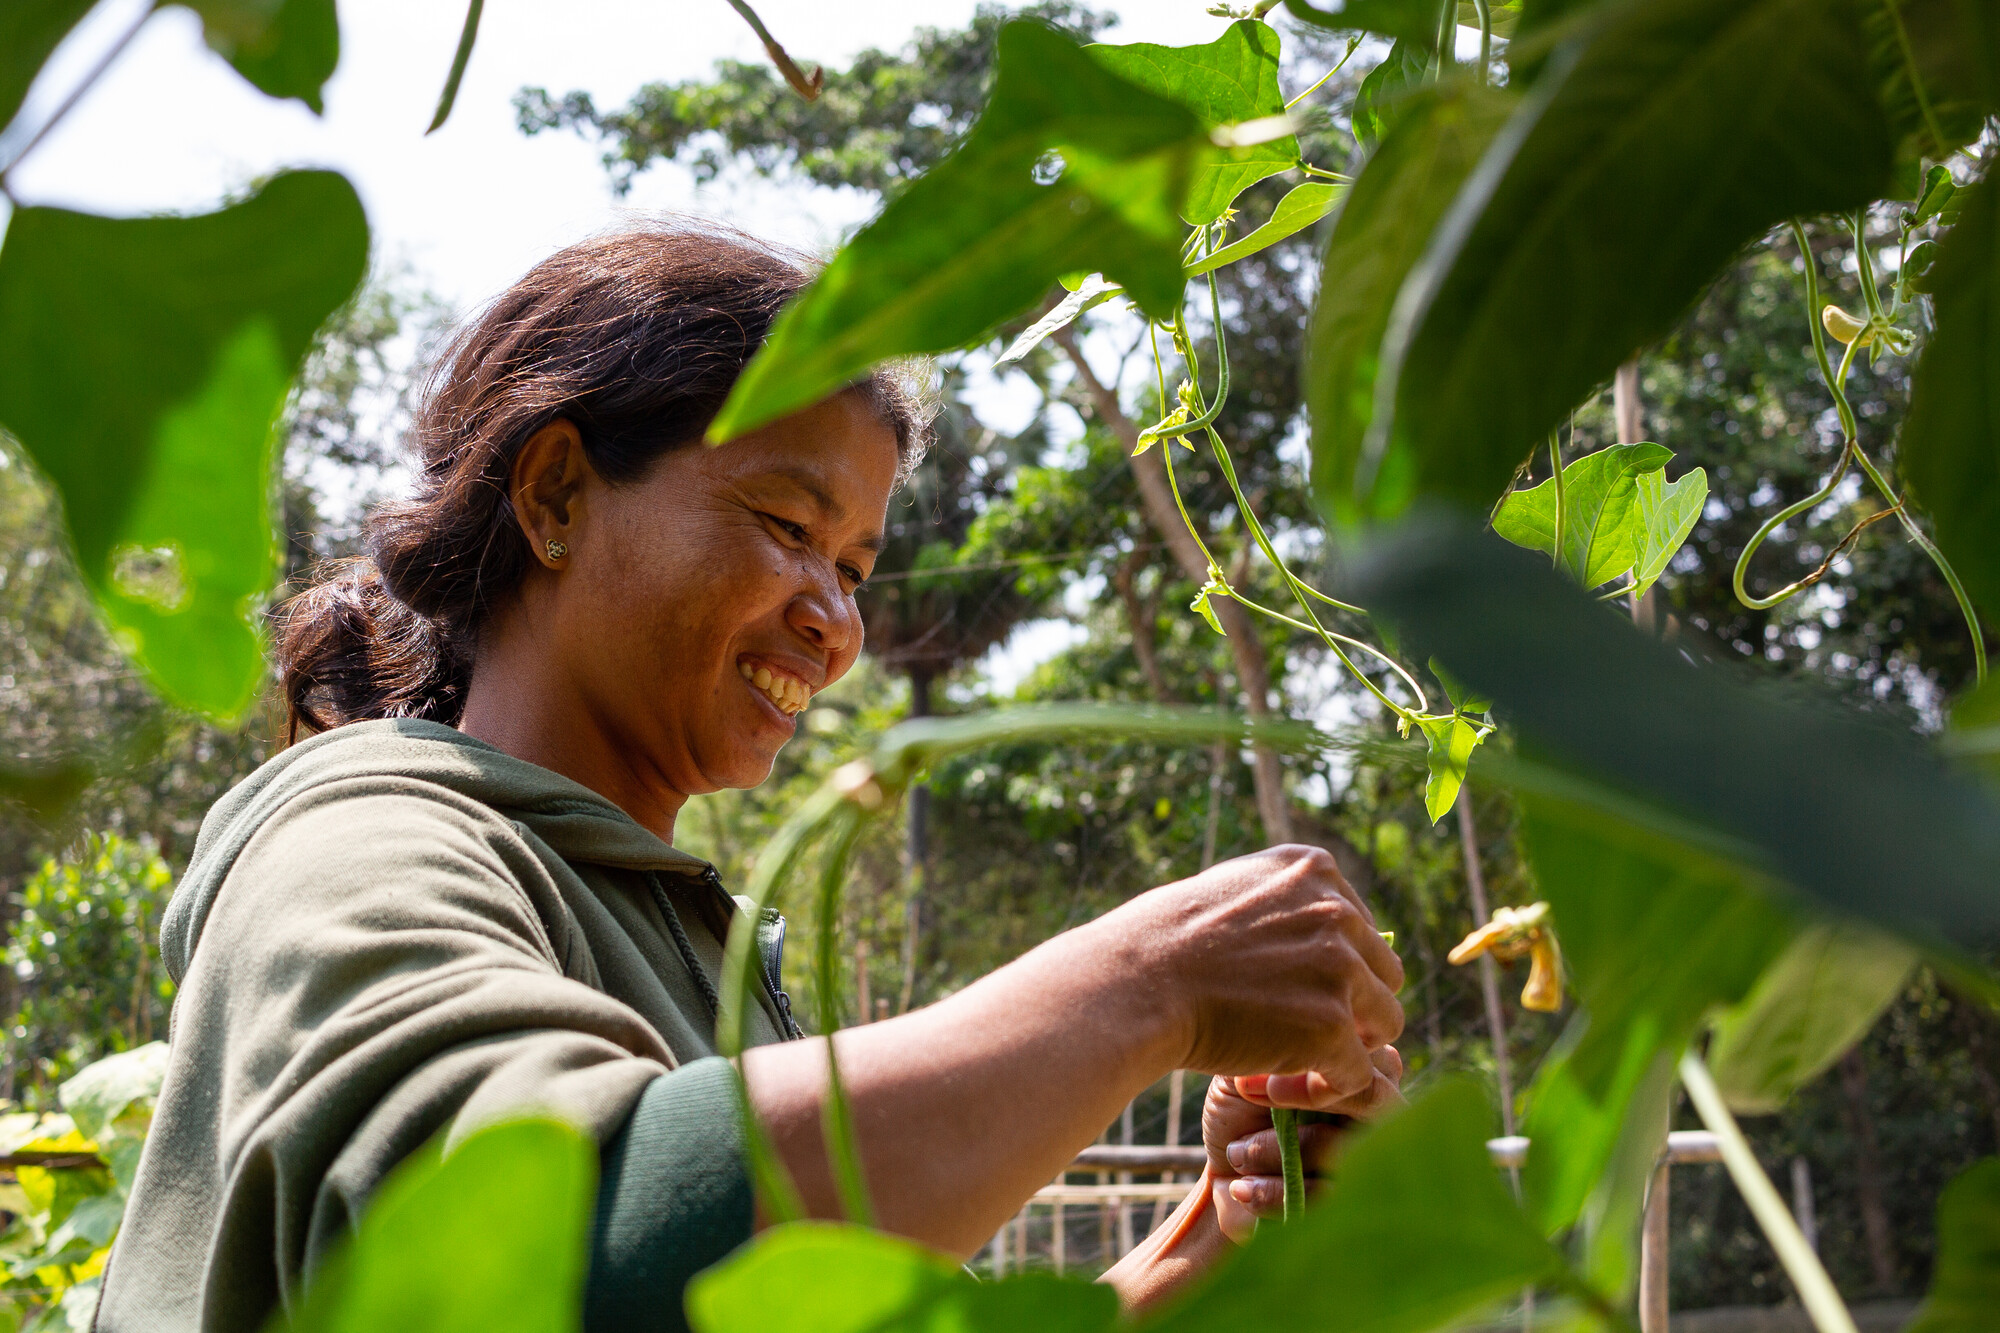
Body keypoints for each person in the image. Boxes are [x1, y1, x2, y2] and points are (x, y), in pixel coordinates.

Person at [96, 224, 1404, 1333]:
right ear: (556, 493)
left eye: (856, 565)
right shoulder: (363, 839)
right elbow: (559, 1255)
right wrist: (1148, 984)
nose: (835, 617)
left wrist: (1208, 1248)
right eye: (788, 527)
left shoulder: (682, 947)